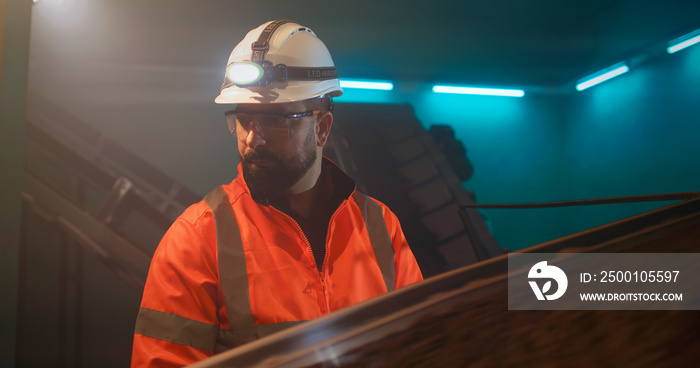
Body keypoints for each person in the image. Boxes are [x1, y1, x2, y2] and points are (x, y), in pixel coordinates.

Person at [130, 20, 423, 367]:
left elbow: (423, 350)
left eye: (275, 120)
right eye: (244, 119)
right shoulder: (196, 240)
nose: (253, 139)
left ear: (322, 128)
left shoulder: (381, 228)